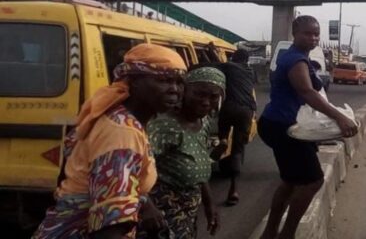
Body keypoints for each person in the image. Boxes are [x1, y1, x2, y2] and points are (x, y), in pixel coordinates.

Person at [33, 44, 187, 239]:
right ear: (135, 82)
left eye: (179, 82)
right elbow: (111, 225)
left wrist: (144, 203)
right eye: (164, 80)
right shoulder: (122, 132)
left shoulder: (118, 116)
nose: (174, 89)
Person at [258, 15, 358, 239]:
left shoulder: (296, 57)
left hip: (279, 124)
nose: (313, 38)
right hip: (285, 128)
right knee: (313, 181)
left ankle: (270, 232)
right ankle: (287, 234)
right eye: (307, 33)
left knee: (290, 181)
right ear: (294, 33)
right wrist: (340, 118)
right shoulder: (295, 60)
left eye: (316, 34)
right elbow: (307, 92)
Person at [146, 67, 224, 238]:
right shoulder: (164, 127)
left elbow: (198, 164)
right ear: (184, 91)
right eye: (199, 94)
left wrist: (210, 204)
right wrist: (147, 207)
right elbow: (133, 171)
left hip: (187, 211)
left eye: (213, 96)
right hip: (161, 213)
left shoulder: (203, 122)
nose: (206, 102)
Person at [202, 48, 257, 206]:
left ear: (234, 58)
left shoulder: (229, 67)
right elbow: (221, 64)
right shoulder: (250, 71)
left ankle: (223, 139)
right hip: (247, 111)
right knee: (238, 150)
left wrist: (208, 51)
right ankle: (234, 190)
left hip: (229, 108)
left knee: (223, 130)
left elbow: (211, 65)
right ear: (246, 60)